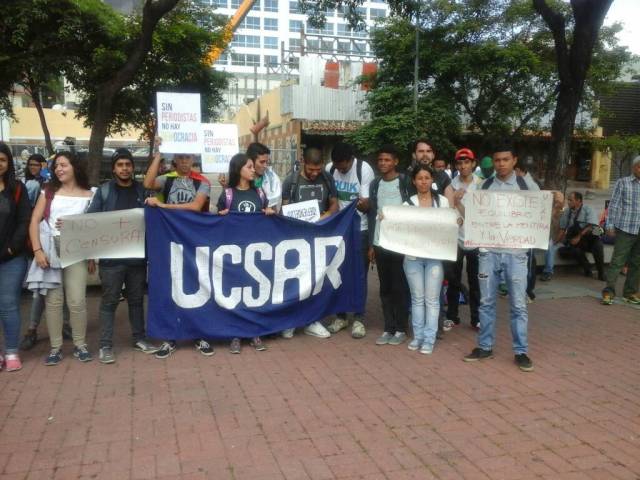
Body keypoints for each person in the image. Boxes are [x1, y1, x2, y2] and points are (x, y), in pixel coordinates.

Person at [463, 142, 539, 372]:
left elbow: (539, 217)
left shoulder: (528, 186)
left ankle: (521, 351)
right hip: (488, 253)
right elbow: (471, 216)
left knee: (518, 303)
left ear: (514, 160)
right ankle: (484, 346)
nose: (501, 164)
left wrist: (557, 206)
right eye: (497, 160)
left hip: (516, 255)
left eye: (506, 159)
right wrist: (458, 203)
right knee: (486, 302)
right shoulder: (483, 187)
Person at [86, 149, 159, 364]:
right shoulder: (104, 191)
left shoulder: (142, 190)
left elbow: (154, 217)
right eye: (120, 165)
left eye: (128, 164)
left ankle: (139, 338)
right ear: (114, 168)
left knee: (136, 301)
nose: (125, 168)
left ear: (132, 167)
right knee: (109, 302)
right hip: (111, 260)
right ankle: (105, 346)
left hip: (137, 259)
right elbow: (91, 220)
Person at [144, 138, 213, 359]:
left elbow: (195, 206)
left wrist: (163, 205)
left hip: (193, 241)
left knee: (196, 285)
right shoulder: (167, 179)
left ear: (193, 158)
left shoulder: (202, 181)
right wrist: (158, 153)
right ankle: (169, 337)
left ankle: (199, 334)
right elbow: (147, 183)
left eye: (188, 157)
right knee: (170, 287)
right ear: (175, 159)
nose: (184, 161)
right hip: (169, 241)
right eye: (180, 157)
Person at [28, 151, 95, 365]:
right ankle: (55, 348)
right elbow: (34, 221)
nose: (59, 169)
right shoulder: (48, 191)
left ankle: (80, 344)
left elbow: (94, 227)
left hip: (77, 251)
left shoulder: (90, 194)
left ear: (74, 166)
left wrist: (93, 255)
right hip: (50, 250)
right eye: (56, 165)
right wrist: (38, 251)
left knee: (77, 301)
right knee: (53, 301)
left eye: (63, 164)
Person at [217, 153, 275, 353]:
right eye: (249, 166)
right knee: (235, 296)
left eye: (253, 166)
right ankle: (235, 334)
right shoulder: (227, 195)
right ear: (238, 169)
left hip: (255, 256)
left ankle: (254, 333)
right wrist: (221, 216)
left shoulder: (259, 193)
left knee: (254, 295)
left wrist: (270, 213)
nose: (253, 169)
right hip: (234, 255)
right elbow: (215, 224)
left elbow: (269, 220)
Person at [279, 147, 338, 338]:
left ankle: (311, 320)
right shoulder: (291, 180)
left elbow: (334, 205)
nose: (314, 173)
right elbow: (285, 208)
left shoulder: (327, 178)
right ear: (303, 162)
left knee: (316, 280)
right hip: (296, 239)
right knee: (295, 280)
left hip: (319, 238)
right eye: (311, 169)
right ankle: (292, 321)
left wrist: (325, 216)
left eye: (318, 169)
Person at [324, 142, 375, 339]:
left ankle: (359, 318)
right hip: (338, 229)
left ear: (351, 160)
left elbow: (366, 205)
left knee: (359, 274)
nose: (340, 170)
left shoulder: (364, 169)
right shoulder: (330, 169)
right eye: (337, 166)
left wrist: (363, 204)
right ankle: (341, 316)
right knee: (337, 271)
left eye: (343, 166)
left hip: (359, 228)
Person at [403, 164, 453, 354]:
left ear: (432, 180)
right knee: (417, 298)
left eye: (427, 178)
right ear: (414, 181)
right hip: (413, 257)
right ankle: (418, 336)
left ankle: (429, 339)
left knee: (432, 300)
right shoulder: (408, 204)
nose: (423, 181)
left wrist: (457, 221)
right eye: (420, 178)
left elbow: (450, 224)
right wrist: (386, 218)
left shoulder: (442, 202)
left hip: (434, 257)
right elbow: (399, 227)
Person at [367, 145, 411, 346]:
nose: (383, 163)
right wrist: (371, 245)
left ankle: (401, 328)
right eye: (380, 160)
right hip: (380, 242)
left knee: (399, 286)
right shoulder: (375, 184)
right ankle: (388, 327)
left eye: (387, 160)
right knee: (384, 287)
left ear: (395, 162)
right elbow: (373, 215)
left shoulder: (404, 182)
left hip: (400, 244)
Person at [0, 142, 31, 372]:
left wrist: (11, 249)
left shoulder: (18, 188)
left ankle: (11, 351)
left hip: (11, 257)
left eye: (2, 160)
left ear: (8, 163)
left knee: (9, 304)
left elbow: (24, 221)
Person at [446, 148, 483, 330]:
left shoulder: (482, 185)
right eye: (460, 163)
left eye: (466, 162)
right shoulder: (451, 185)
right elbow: (448, 214)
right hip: (456, 239)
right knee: (453, 279)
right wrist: (454, 201)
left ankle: (476, 318)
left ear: (473, 163)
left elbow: (478, 217)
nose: (463, 166)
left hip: (476, 240)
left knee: (475, 281)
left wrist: (458, 202)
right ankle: (452, 316)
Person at [601, 156, 640, 305]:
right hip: (625, 228)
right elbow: (614, 206)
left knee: (637, 263)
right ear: (634, 168)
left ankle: (629, 293)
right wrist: (609, 225)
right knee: (617, 261)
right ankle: (608, 292)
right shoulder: (622, 183)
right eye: (639, 167)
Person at [558, 191, 605, 281]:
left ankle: (601, 273)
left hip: (590, 238)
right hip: (577, 241)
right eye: (568, 200)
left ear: (578, 201)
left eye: (570, 200)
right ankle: (587, 269)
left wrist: (579, 236)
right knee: (570, 250)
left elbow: (592, 226)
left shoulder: (588, 209)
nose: (568, 202)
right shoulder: (567, 212)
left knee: (599, 242)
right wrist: (555, 242)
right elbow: (562, 229)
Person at [406, 139, 454, 205]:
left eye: (428, 151)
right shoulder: (406, 177)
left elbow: (450, 207)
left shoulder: (443, 177)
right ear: (414, 155)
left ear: (433, 155)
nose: (425, 154)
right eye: (421, 151)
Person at [540, 192, 566, 282]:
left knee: (550, 245)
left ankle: (548, 272)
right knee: (549, 243)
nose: (556, 203)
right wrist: (554, 210)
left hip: (559, 241)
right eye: (555, 200)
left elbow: (562, 231)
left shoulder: (564, 213)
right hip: (546, 239)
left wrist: (555, 241)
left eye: (558, 201)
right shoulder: (547, 211)